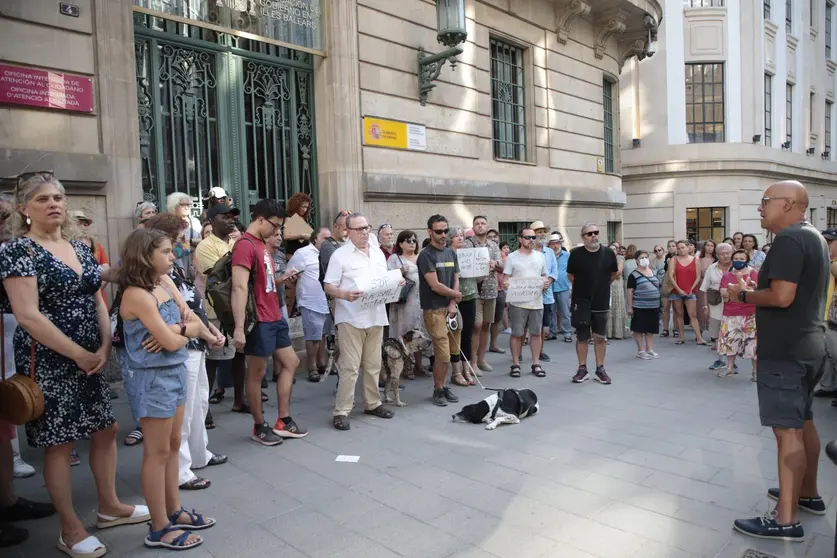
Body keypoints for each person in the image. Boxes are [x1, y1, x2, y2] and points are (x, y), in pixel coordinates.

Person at [1, 172, 149, 556]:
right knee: (59, 442)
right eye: (42, 199)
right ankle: (70, 530)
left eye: (57, 198)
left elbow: (97, 299)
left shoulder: (80, 248)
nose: (53, 204)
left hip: (91, 357)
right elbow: (28, 316)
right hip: (49, 359)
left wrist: (102, 346)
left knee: (105, 428)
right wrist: (78, 353)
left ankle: (110, 506)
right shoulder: (19, 251)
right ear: (24, 209)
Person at [727, 181, 829, 542]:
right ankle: (808, 493)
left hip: (786, 351)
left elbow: (783, 296)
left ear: (788, 204)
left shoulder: (789, 240)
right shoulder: (813, 236)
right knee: (803, 422)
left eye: (765, 201)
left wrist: (742, 292)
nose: (760, 208)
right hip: (808, 346)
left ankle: (785, 520)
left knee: (787, 432)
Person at [118, 228, 216, 550]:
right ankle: (158, 527)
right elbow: (177, 338)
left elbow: (183, 326)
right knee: (157, 451)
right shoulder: (135, 294)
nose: (173, 257)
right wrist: (188, 330)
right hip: (152, 378)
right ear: (146, 256)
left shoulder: (165, 281)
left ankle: (173, 510)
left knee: (174, 444)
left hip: (173, 370)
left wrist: (182, 328)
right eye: (166, 251)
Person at [142, 214, 228, 490]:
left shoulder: (173, 270)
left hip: (194, 342)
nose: (183, 245)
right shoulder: (152, 275)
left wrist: (207, 332)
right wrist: (193, 330)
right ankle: (180, 471)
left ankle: (200, 454)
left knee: (200, 402)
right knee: (185, 409)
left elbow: (190, 307)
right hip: (180, 346)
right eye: (177, 241)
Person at [231, 199, 304, 446]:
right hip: (259, 319)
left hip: (274, 315)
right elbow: (239, 287)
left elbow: (262, 282)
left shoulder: (261, 244)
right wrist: (239, 328)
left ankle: (283, 420)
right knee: (257, 372)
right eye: (275, 226)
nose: (277, 232)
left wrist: (281, 280)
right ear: (260, 220)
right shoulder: (244, 245)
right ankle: (259, 426)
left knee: (291, 362)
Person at [324, 213, 396, 429]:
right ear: (349, 231)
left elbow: (382, 281)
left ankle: (372, 403)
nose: (365, 232)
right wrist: (344, 294)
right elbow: (328, 286)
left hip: (376, 315)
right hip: (351, 317)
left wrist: (395, 283)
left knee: (374, 364)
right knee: (350, 367)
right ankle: (342, 410)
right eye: (359, 229)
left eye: (367, 228)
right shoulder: (340, 256)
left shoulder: (377, 254)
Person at [195, 204, 247, 415]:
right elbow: (219, 274)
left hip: (239, 308)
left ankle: (239, 400)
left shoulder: (236, 243)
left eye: (232, 217)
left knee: (239, 355)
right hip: (216, 309)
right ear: (212, 220)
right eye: (225, 217)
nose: (231, 220)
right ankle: (204, 409)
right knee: (212, 361)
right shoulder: (205, 245)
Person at [418, 215, 463, 407]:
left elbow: (456, 277)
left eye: (446, 230)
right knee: (442, 355)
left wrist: (453, 301)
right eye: (439, 231)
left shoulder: (451, 253)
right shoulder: (425, 255)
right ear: (430, 232)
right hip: (434, 310)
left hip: (451, 307)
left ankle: (444, 386)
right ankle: (437, 389)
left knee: (453, 352)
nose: (443, 235)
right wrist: (456, 294)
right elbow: (435, 285)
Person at [567, 223, 618, 384]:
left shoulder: (608, 253)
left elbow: (613, 274)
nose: (593, 236)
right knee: (582, 336)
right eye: (589, 234)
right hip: (581, 301)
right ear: (583, 237)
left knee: (600, 337)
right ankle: (582, 368)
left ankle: (600, 368)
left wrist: (601, 287)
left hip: (601, 301)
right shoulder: (575, 254)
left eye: (595, 232)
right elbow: (571, 276)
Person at [502, 227, 549, 378]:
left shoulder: (540, 256)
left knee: (536, 334)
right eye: (528, 237)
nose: (531, 240)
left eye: (533, 237)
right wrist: (506, 284)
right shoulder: (512, 257)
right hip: (518, 302)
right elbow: (506, 278)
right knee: (517, 334)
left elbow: (544, 276)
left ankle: (536, 363)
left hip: (536, 302)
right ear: (520, 239)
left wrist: (546, 283)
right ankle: (515, 363)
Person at [288, 226, 332, 382]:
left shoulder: (331, 253)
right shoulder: (302, 253)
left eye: (329, 238)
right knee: (312, 335)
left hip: (327, 300)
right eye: (324, 238)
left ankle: (322, 363)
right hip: (310, 300)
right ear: (314, 239)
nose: (328, 241)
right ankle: (312, 367)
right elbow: (290, 274)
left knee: (323, 334)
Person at [387, 230, 428, 380]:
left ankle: (419, 364)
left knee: (419, 332)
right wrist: (399, 272)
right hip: (404, 303)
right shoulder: (394, 258)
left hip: (421, 301)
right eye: (408, 240)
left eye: (414, 240)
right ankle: (406, 365)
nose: (412, 243)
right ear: (400, 244)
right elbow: (387, 279)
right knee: (404, 333)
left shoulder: (422, 256)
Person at [466, 216, 502, 373]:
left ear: (487, 226)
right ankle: (472, 362)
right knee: (476, 326)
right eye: (477, 224)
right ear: (473, 227)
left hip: (491, 290)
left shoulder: (493, 245)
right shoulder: (467, 244)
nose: (480, 226)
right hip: (475, 291)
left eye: (483, 223)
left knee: (486, 325)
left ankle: (481, 359)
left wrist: (497, 264)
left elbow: (502, 267)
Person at [717, 249, 759, 380]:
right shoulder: (727, 275)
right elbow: (724, 293)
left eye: (741, 259)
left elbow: (756, 292)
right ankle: (730, 368)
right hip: (730, 313)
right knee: (730, 341)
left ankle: (755, 371)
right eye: (736, 259)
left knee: (752, 342)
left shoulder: (754, 273)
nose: (738, 261)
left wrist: (735, 289)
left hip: (749, 313)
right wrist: (742, 288)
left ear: (746, 260)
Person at [447, 228, 477, 386]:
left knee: (468, 335)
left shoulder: (469, 254)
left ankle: (467, 369)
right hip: (453, 299)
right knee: (455, 336)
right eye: (456, 236)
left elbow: (479, 277)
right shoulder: (446, 254)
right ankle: (456, 371)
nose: (459, 238)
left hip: (470, 295)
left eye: (461, 235)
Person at [668, 240, 708, 345]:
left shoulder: (695, 260)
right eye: (679, 248)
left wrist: (691, 289)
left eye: (683, 247)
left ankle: (699, 338)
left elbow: (698, 276)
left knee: (693, 315)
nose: (681, 250)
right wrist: (679, 289)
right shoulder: (674, 260)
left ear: (688, 248)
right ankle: (681, 338)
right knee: (679, 314)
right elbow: (671, 276)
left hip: (690, 291)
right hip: (677, 291)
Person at [702, 243, 735, 371]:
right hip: (715, 304)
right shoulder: (712, 268)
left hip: (733, 305)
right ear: (717, 255)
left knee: (731, 333)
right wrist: (705, 306)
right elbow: (705, 288)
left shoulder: (738, 267)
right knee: (717, 334)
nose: (725, 256)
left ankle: (732, 362)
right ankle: (720, 359)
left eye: (728, 253)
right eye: (722, 253)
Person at [814, 229, 837, 398]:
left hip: (832, 317)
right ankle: (828, 386)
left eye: (830, 242)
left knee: (835, 353)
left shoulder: (830, 262)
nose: (826, 245)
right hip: (821, 313)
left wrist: (827, 260)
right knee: (825, 354)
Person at [627, 250, 661, 359]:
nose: (645, 259)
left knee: (650, 328)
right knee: (639, 328)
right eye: (642, 257)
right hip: (640, 305)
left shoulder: (653, 271)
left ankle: (649, 349)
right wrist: (630, 307)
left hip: (654, 305)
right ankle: (640, 350)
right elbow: (630, 292)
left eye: (646, 257)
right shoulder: (633, 275)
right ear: (637, 261)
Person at [167, 193, 202, 280]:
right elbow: (174, 249)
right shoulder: (168, 223)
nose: (186, 207)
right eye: (182, 205)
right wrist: (192, 244)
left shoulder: (195, 222)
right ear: (174, 206)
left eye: (188, 204)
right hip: (176, 265)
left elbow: (203, 242)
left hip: (194, 265)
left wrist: (188, 242)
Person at [547, 232, 572, 343]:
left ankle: (567, 333)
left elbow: (572, 271)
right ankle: (553, 332)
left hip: (564, 287)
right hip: (550, 287)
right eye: (553, 244)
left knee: (565, 311)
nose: (555, 246)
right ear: (549, 245)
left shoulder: (567, 256)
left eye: (557, 243)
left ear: (560, 244)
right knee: (552, 311)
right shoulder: (547, 256)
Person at [282, 192, 313, 257]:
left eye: (307, 207)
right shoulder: (289, 218)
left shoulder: (303, 218)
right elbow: (286, 236)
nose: (305, 210)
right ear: (296, 205)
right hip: (293, 254)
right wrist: (301, 235)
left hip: (305, 254)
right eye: (303, 207)